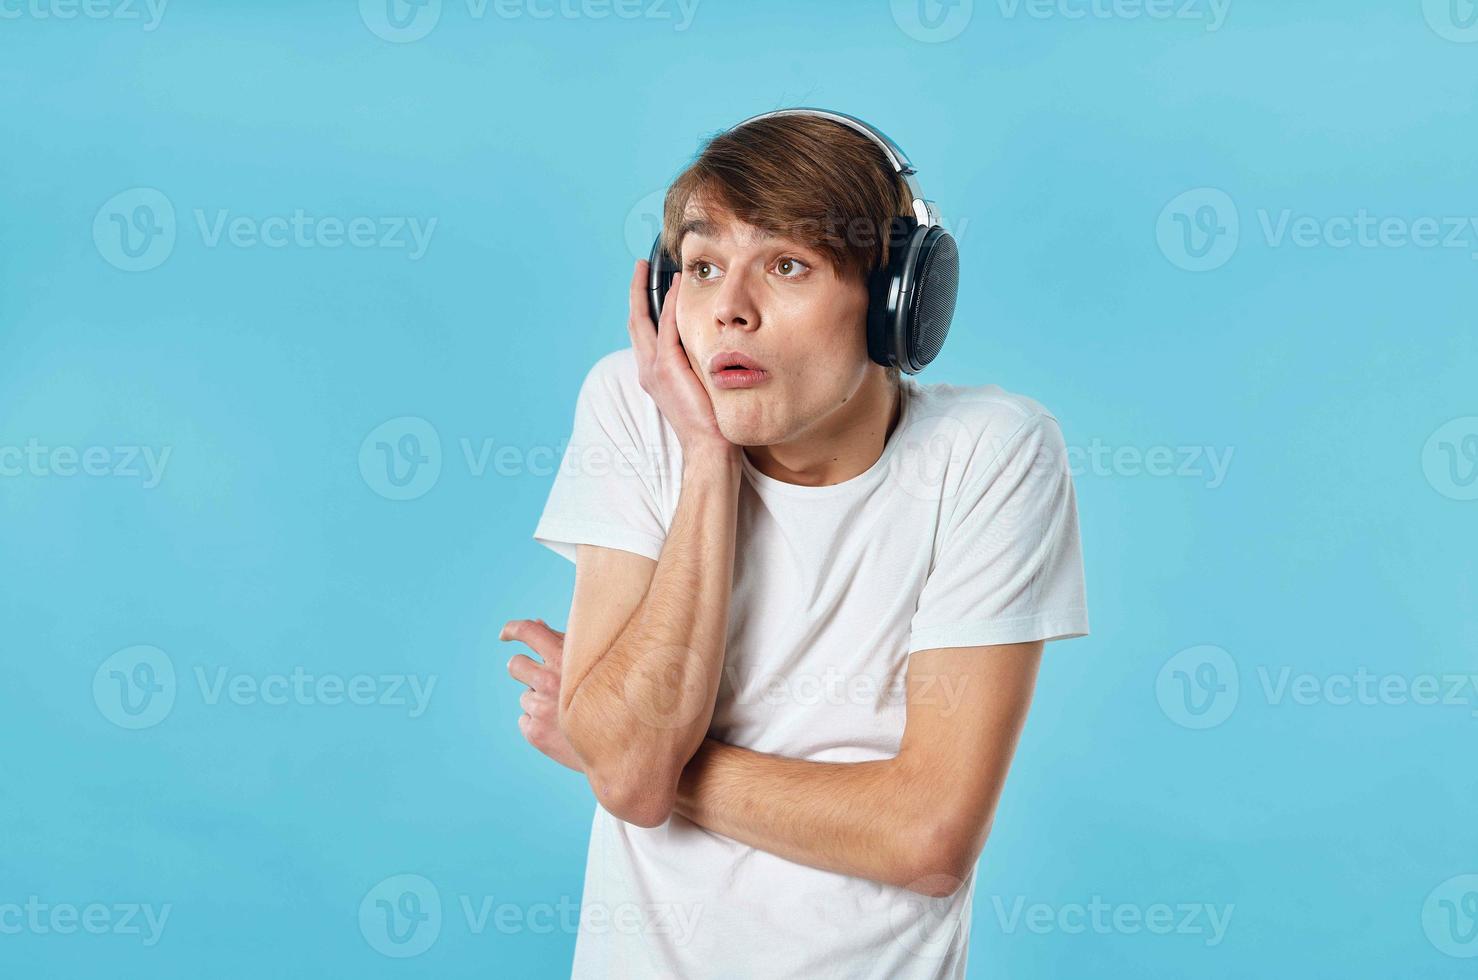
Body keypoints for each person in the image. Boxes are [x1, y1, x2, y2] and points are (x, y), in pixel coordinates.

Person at [501, 109, 1090, 979]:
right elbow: (628, 776)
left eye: (786, 265)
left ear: (898, 304)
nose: (729, 311)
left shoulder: (993, 452)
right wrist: (708, 455)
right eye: (702, 269)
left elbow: (927, 841)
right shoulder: (639, 406)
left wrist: (638, 755)